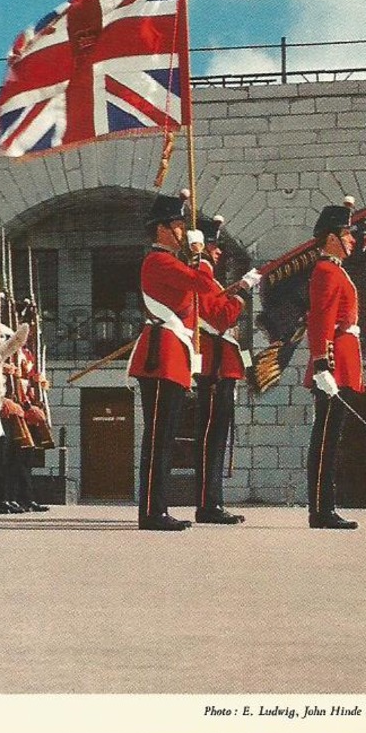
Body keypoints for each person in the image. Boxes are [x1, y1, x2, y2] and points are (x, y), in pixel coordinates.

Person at [127, 193, 257, 531]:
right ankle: (153, 512)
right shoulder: (158, 261)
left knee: (165, 438)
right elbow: (200, 283)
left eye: (183, 227)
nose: (183, 233)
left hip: (173, 354)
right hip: (161, 355)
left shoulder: (172, 262)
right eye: (177, 226)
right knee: (159, 439)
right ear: (161, 229)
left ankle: (157, 509)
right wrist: (201, 256)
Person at [306, 198, 363, 529]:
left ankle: (325, 506)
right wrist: (321, 366)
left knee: (331, 437)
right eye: (347, 233)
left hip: (341, 358)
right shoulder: (326, 271)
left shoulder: (335, 271)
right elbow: (321, 321)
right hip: (332, 362)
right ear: (331, 238)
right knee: (326, 438)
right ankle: (320, 509)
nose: (352, 240)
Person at [191, 214, 249, 525]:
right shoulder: (202, 277)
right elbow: (218, 319)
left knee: (216, 440)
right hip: (213, 371)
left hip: (223, 368)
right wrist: (240, 296)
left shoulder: (211, 282)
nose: (218, 253)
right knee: (211, 441)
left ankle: (213, 502)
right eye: (214, 247)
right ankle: (207, 504)